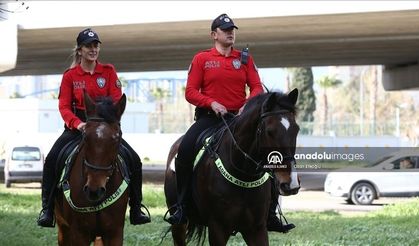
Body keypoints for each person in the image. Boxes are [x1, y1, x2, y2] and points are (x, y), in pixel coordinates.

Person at [165, 14, 295, 233]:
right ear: (214, 35)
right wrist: (211, 102)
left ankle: (271, 213)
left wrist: (248, 104)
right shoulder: (201, 59)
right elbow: (190, 92)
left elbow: (256, 87)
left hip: (238, 119)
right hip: (209, 119)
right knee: (185, 150)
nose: (230, 33)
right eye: (225, 30)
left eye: (232, 29)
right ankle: (182, 206)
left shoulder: (244, 59)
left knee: (268, 154)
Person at [37, 28, 150, 227]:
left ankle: (136, 208)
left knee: (135, 160)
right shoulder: (70, 76)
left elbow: (116, 101)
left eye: (96, 45)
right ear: (79, 50)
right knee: (52, 159)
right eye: (88, 46)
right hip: (77, 128)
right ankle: (47, 209)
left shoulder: (108, 72)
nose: (93, 49)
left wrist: (109, 126)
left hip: (104, 129)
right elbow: (63, 106)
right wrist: (78, 124)